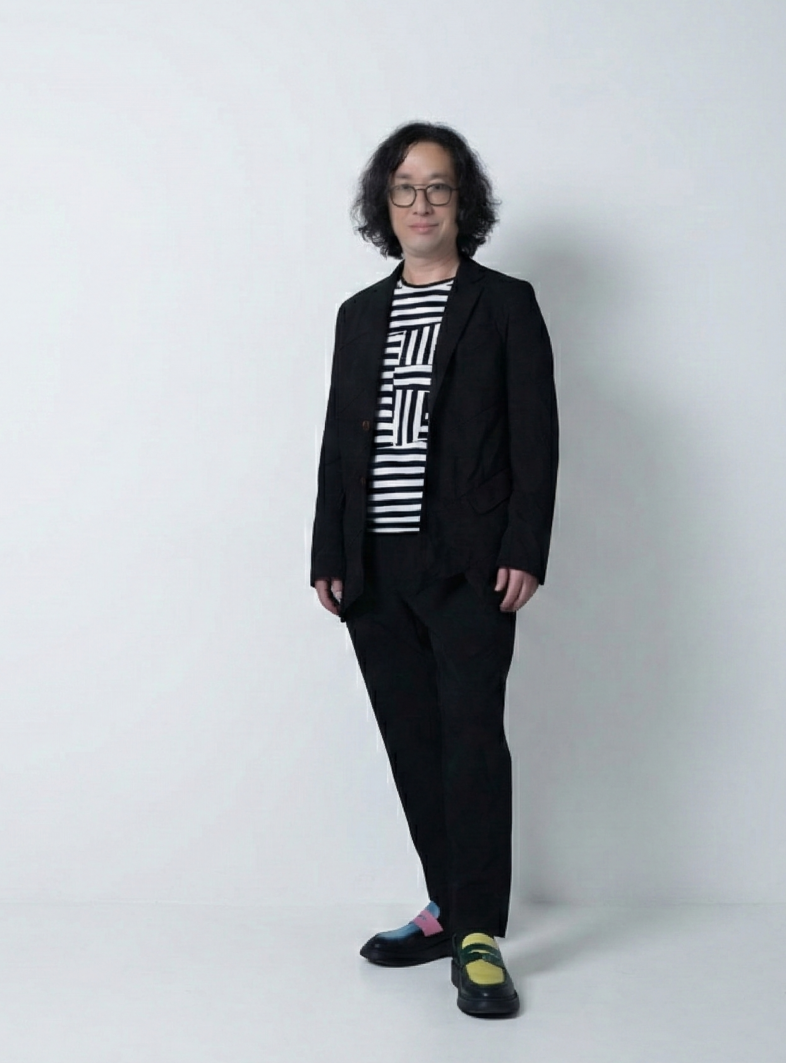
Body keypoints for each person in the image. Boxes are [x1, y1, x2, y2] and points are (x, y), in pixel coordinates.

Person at [309, 121, 559, 1018]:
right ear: (386, 203)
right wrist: (328, 550)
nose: (422, 203)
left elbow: (536, 436)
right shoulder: (358, 315)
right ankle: (448, 907)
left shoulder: (504, 305)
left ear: (464, 201)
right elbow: (339, 442)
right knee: (413, 741)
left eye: (439, 187)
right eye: (406, 188)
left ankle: (479, 933)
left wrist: (524, 545)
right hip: (373, 565)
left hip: (469, 564)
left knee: (471, 740)